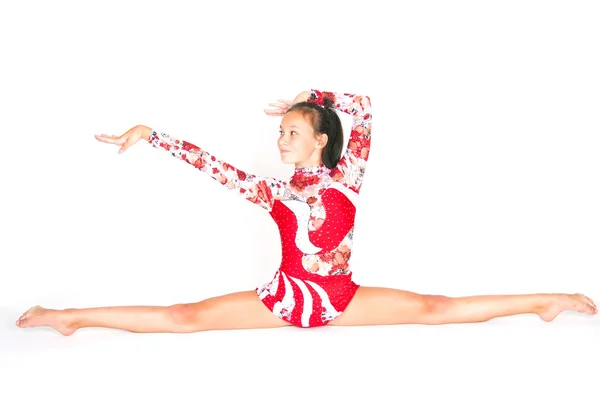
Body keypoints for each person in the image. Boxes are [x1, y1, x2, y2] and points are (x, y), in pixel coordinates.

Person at [16, 89, 597, 336]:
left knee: (434, 308)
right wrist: (153, 135)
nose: (282, 139)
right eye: (281, 132)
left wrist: (312, 94)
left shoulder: (349, 175)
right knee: (186, 317)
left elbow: (362, 109)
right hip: (285, 299)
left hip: (342, 298)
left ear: (320, 140)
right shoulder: (273, 191)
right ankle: (66, 316)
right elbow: (210, 165)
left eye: (292, 131)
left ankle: (545, 301)